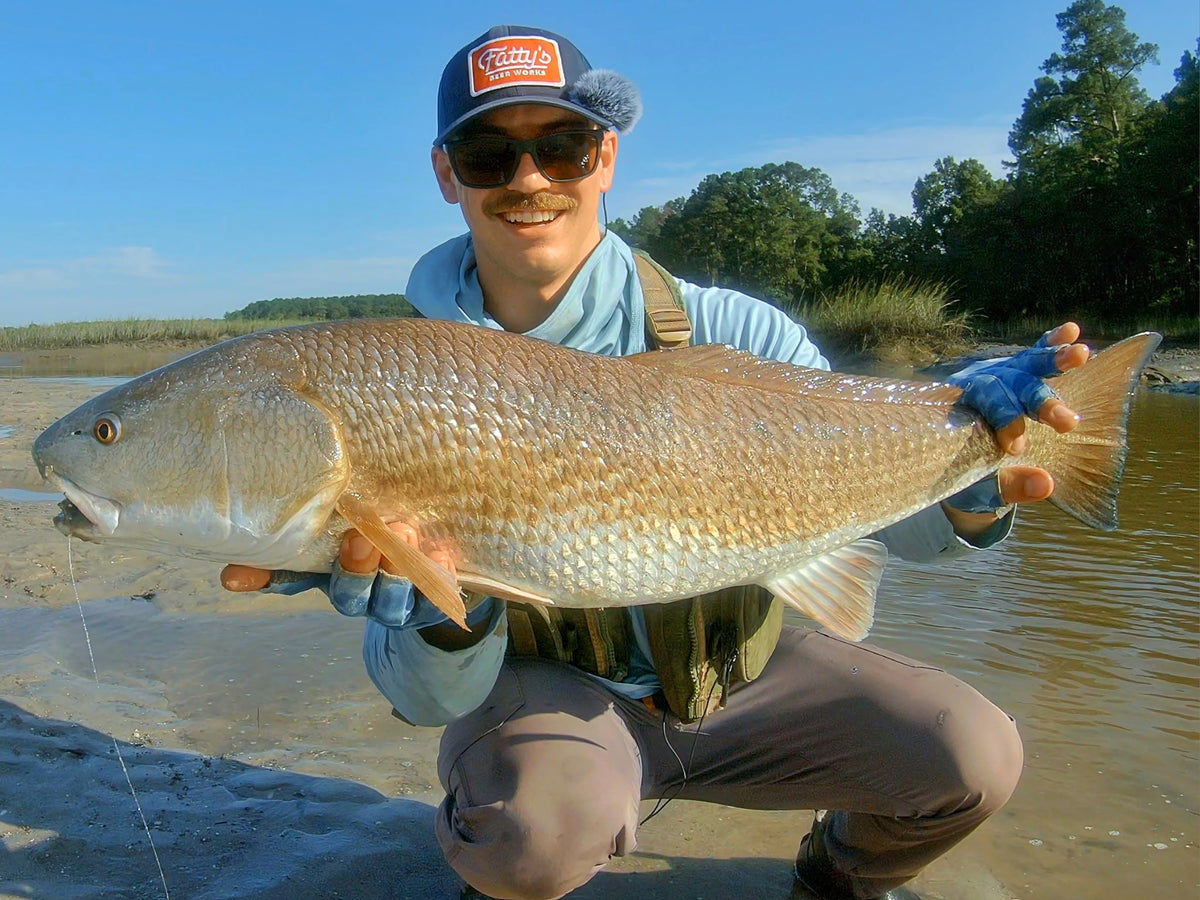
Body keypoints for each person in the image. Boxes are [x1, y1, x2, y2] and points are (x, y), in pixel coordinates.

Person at [222, 25, 1091, 900]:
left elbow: (895, 530)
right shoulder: (392, 381)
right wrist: (442, 619)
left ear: (604, 158)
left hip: (738, 686)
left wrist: (974, 477)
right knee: (530, 843)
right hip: (552, 716)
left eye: (559, 149)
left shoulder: (741, 334)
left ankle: (837, 871)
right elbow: (425, 699)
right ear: (448, 175)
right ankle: (508, 850)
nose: (529, 180)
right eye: (489, 155)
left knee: (971, 754)